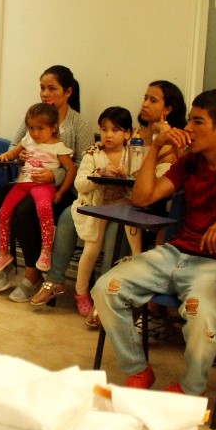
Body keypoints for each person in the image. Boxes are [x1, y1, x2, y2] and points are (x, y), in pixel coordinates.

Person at [92, 89, 216, 396]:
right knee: (106, 288)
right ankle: (138, 369)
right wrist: (155, 147)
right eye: (189, 120)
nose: (187, 128)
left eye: (197, 122)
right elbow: (143, 197)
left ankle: (191, 390)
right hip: (175, 253)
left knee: (201, 314)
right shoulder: (191, 162)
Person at [32, 79, 187, 309]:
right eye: (145, 98)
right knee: (67, 216)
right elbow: (106, 156)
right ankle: (55, 280)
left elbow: (162, 181)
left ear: (168, 109)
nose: (144, 104)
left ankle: (103, 296)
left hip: (144, 206)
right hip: (107, 199)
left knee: (116, 227)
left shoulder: (174, 140)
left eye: (152, 100)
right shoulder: (135, 133)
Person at [0, 65, 95, 301]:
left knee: (24, 213)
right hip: (26, 181)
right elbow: (15, 145)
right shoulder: (34, 115)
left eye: (52, 88)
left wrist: (54, 176)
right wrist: (19, 155)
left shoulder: (79, 124)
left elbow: (83, 164)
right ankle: (4, 262)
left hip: (59, 190)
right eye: (42, 88)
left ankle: (33, 275)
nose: (45, 93)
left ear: (68, 92)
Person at [68, 107, 141, 324]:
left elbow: (140, 181)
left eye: (115, 130)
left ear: (127, 133)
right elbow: (80, 184)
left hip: (121, 203)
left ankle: (137, 265)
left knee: (133, 230)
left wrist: (128, 174)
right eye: (104, 129)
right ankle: (81, 291)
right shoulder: (93, 154)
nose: (108, 135)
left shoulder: (133, 154)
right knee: (91, 249)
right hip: (97, 205)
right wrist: (98, 174)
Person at [0, 103, 75, 275]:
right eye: (31, 128)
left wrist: (61, 191)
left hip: (43, 186)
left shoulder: (59, 147)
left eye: (40, 128)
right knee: (3, 212)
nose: (35, 133)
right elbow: (14, 152)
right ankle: (3, 253)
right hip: (23, 184)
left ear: (53, 128)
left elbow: (71, 169)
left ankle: (46, 250)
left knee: (44, 208)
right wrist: (5, 156)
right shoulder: (28, 139)